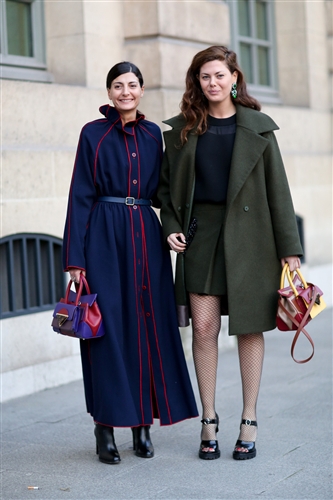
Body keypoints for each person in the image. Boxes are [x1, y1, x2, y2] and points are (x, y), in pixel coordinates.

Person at [157, 46, 303, 461]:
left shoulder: (258, 128)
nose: (213, 83)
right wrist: (170, 228)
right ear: (197, 82)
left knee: (249, 327)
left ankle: (249, 418)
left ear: (234, 78)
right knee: (203, 328)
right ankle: (208, 418)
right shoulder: (182, 131)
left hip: (252, 240)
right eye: (205, 77)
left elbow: (279, 191)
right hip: (200, 237)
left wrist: (289, 249)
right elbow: (164, 191)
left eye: (220, 75)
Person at [62, 61, 198, 465]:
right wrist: (76, 257)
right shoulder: (93, 133)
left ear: (141, 91)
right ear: (109, 93)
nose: (125, 92)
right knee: (106, 332)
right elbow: (80, 195)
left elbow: (164, 190)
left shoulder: (154, 133)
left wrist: (177, 224)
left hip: (144, 235)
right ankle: (105, 427)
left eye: (132, 85)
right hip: (104, 236)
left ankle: (142, 426)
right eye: (118, 86)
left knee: (146, 327)